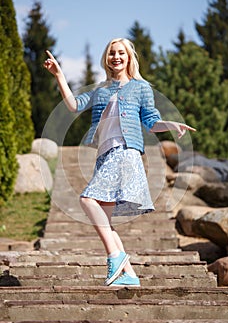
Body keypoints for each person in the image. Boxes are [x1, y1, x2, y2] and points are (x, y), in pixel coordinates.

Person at [44, 38, 196, 287]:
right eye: (112, 53)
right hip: (104, 156)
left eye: (121, 53)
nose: (116, 56)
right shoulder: (101, 89)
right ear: (107, 58)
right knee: (104, 219)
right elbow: (73, 106)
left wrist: (171, 124)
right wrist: (59, 74)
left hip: (125, 153)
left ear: (129, 57)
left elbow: (151, 120)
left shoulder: (140, 87)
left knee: (86, 199)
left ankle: (115, 256)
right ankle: (130, 274)